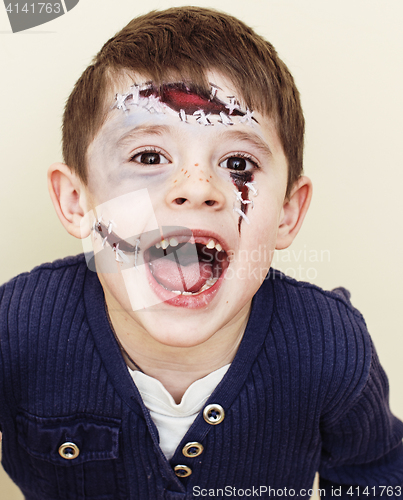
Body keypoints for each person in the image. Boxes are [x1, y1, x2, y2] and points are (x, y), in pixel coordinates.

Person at [0, 6, 402, 499]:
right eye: (149, 157)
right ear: (76, 202)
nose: (196, 187)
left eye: (237, 161)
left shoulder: (331, 349)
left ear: (286, 214)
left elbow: (377, 476)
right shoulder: (15, 331)